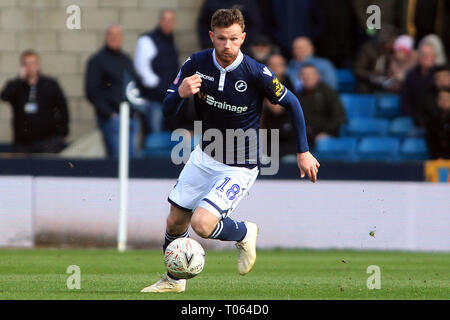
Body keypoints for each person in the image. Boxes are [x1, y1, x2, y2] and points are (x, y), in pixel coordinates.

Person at [141, 8, 319, 293]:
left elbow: (293, 103)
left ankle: (245, 232)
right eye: (222, 38)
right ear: (211, 36)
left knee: (201, 223)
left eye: (234, 39)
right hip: (204, 157)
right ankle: (174, 281)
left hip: (241, 164)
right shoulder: (196, 63)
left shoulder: (256, 72)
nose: (227, 45)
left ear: (243, 38)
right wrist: (180, 94)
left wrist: (303, 151)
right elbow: (167, 111)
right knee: (175, 221)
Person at [85, 24, 139, 157]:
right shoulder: (97, 60)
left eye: (117, 35)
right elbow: (91, 90)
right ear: (106, 37)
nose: (114, 38)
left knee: (132, 161)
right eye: (111, 35)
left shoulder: (126, 59)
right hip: (112, 119)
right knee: (118, 159)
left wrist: (135, 109)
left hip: (130, 117)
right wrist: (109, 114)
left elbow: (134, 85)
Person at [0, 50, 69, 153]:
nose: (30, 67)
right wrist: (19, 79)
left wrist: (62, 132)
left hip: (48, 141)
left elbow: (63, 108)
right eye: (26, 64)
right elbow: (5, 96)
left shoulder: (49, 84)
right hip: (22, 142)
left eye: (32, 63)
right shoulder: (16, 85)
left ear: (38, 64)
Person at [134, 9, 179, 134]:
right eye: (165, 19)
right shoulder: (148, 39)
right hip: (155, 99)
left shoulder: (171, 41)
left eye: (171, 20)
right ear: (160, 21)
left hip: (169, 99)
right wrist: (158, 86)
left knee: (168, 135)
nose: (167, 23)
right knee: (155, 135)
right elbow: (141, 67)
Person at [297, 64, 346, 148]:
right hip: (305, 135)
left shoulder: (328, 92)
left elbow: (339, 116)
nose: (307, 77)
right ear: (300, 78)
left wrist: (327, 132)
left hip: (325, 134)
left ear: (318, 76)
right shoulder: (297, 95)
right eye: (303, 74)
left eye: (310, 74)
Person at [261, 53, 297, 157]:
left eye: (278, 65)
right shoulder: (260, 85)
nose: (275, 68)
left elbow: (277, 109)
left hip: (287, 142)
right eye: (272, 65)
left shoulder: (290, 86)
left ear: (284, 67)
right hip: (265, 141)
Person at [401, 42, 439, 128]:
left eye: (429, 54)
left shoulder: (441, 74)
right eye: (423, 54)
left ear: (434, 57)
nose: (426, 57)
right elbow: (405, 99)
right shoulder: (411, 75)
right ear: (418, 56)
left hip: (437, 122)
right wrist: (411, 117)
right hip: (415, 121)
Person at [353, 25, 398, 93]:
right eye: (392, 41)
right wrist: (372, 76)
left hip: (385, 80)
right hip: (368, 81)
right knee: (363, 88)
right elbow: (358, 70)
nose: (393, 43)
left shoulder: (393, 51)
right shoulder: (368, 49)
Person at [426, 89, 450, 159]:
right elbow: (431, 141)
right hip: (438, 159)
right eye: (441, 99)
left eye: (447, 99)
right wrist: (438, 156)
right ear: (437, 101)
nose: (444, 101)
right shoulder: (432, 120)